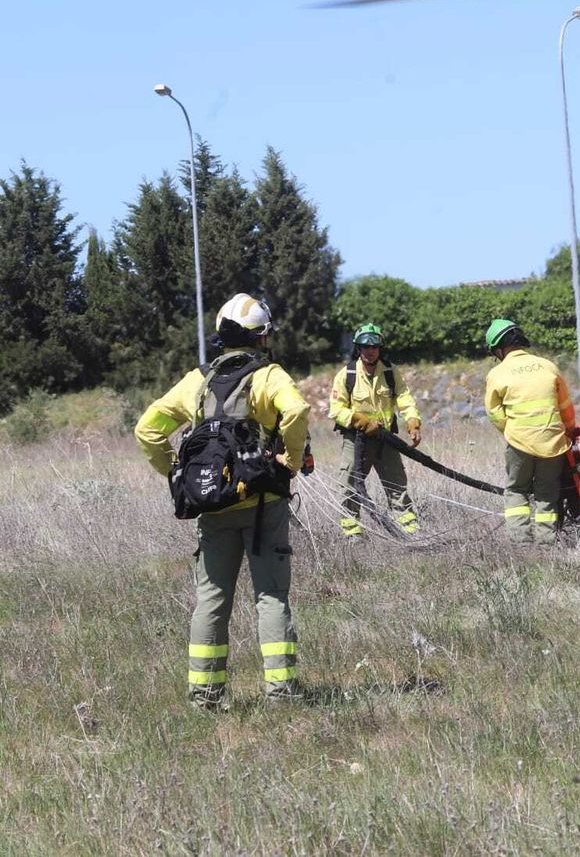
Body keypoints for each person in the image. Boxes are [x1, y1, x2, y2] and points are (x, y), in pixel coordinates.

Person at [133, 293, 310, 708]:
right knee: (271, 597)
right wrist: (292, 461)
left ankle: (205, 695)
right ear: (261, 337)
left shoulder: (197, 380)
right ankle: (282, 692)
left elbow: (147, 429)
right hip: (263, 504)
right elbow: (297, 411)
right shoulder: (269, 376)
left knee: (211, 600)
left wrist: (177, 475)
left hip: (212, 508)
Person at [483, 318, 577, 546]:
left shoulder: (497, 374)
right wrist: (568, 432)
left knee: (517, 490)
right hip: (553, 441)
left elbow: (494, 412)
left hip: (519, 443)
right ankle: (546, 543)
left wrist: (512, 430)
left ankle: (522, 544)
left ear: (498, 348)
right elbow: (566, 406)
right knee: (547, 493)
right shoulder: (548, 366)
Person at [328, 322, 424, 538]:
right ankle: (353, 536)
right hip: (357, 441)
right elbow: (335, 410)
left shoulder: (390, 372)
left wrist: (412, 421)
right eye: (364, 347)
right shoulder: (347, 374)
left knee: (397, 485)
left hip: (386, 440)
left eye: (374, 347)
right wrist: (360, 421)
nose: (369, 352)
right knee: (349, 487)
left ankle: (412, 532)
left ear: (380, 348)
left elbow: (404, 398)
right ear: (358, 348)